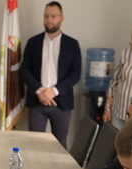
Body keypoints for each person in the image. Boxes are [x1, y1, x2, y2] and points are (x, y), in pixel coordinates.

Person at [21, 1, 81, 149]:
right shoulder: (33, 42)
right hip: (37, 101)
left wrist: (53, 91)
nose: (49, 20)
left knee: (60, 146)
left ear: (61, 18)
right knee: (34, 145)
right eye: (46, 16)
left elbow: (75, 73)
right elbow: (24, 70)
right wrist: (40, 91)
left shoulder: (72, 44)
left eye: (53, 16)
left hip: (62, 103)